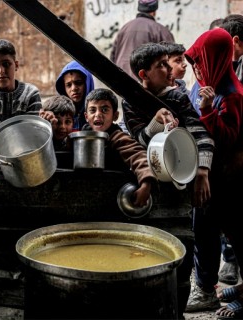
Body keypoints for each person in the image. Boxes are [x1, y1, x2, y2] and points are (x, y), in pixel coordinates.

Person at [122, 42, 215, 319]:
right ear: (144, 74)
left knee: (183, 244)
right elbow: (137, 138)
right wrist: (154, 124)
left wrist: (202, 171)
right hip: (153, 183)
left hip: (181, 180)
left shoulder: (178, 97)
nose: (168, 69)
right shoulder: (130, 100)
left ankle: (179, 304)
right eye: (161, 65)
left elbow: (202, 133)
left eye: (167, 62)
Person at [185, 27, 243, 319]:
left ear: (216, 58)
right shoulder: (201, 85)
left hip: (229, 180)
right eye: (193, 61)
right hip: (207, 176)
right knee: (203, 233)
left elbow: (228, 139)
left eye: (200, 60)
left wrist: (208, 111)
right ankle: (206, 289)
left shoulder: (232, 94)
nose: (195, 67)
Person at [0, 39, 55, 183]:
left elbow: (33, 137)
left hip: (26, 167)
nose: (1, 71)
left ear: (16, 65)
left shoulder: (30, 94)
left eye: (6, 64)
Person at [82, 88, 156, 207]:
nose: (98, 114)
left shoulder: (117, 136)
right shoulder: (82, 135)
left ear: (115, 116)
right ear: (86, 116)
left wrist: (146, 183)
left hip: (113, 196)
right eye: (92, 110)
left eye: (104, 109)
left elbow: (137, 155)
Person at [110, 0, 174, 81]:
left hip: (121, 79)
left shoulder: (124, 28)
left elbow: (113, 57)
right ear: (154, 11)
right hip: (145, 83)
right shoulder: (161, 30)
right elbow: (172, 59)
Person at [55, 60, 94, 131]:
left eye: (78, 83)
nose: (74, 89)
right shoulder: (57, 113)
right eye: (68, 85)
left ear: (87, 84)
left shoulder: (97, 113)